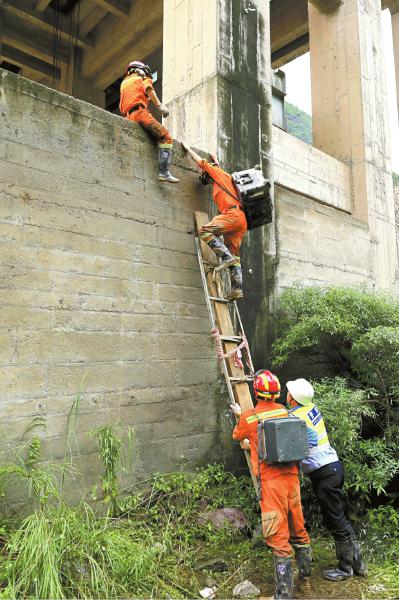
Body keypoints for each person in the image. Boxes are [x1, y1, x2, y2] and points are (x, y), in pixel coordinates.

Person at [231, 370, 311, 599]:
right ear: (276, 393)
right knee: (299, 528)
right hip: (292, 480)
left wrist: (240, 415)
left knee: (277, 535)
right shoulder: (285, 411)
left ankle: (282, 595)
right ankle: (305, 581)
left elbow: (238, 435)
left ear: (256, 392)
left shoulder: (250, 417)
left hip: (272, 483)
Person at [286, 378, 368, 581]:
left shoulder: (296, 415)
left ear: (293, 398)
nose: (285, 394)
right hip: (333, 467)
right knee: (339, 518)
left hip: (324, 473)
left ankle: (345, 569)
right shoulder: (310, 407)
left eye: (288, 392)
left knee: (336, 521)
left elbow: (311, 438)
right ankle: (358, 563)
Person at [182, 144, 247, 301]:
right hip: (241, 219)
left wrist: (188, 149)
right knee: (235, 256)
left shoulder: (217, 175)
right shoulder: (224, 178)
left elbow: (202, 162)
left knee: (205, 231)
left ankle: (225, 257)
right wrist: (216, 159)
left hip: (232, 215)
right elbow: (216, 168)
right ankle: (237, 289)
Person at [119, 61, 179, 183]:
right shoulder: (142, 79)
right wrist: (160, 106)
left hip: (128, 116)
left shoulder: (124, 84)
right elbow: (148, 89)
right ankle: (164, 172)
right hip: (140, 114)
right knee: (166, 137)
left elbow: (121, 106)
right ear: (140, 70)